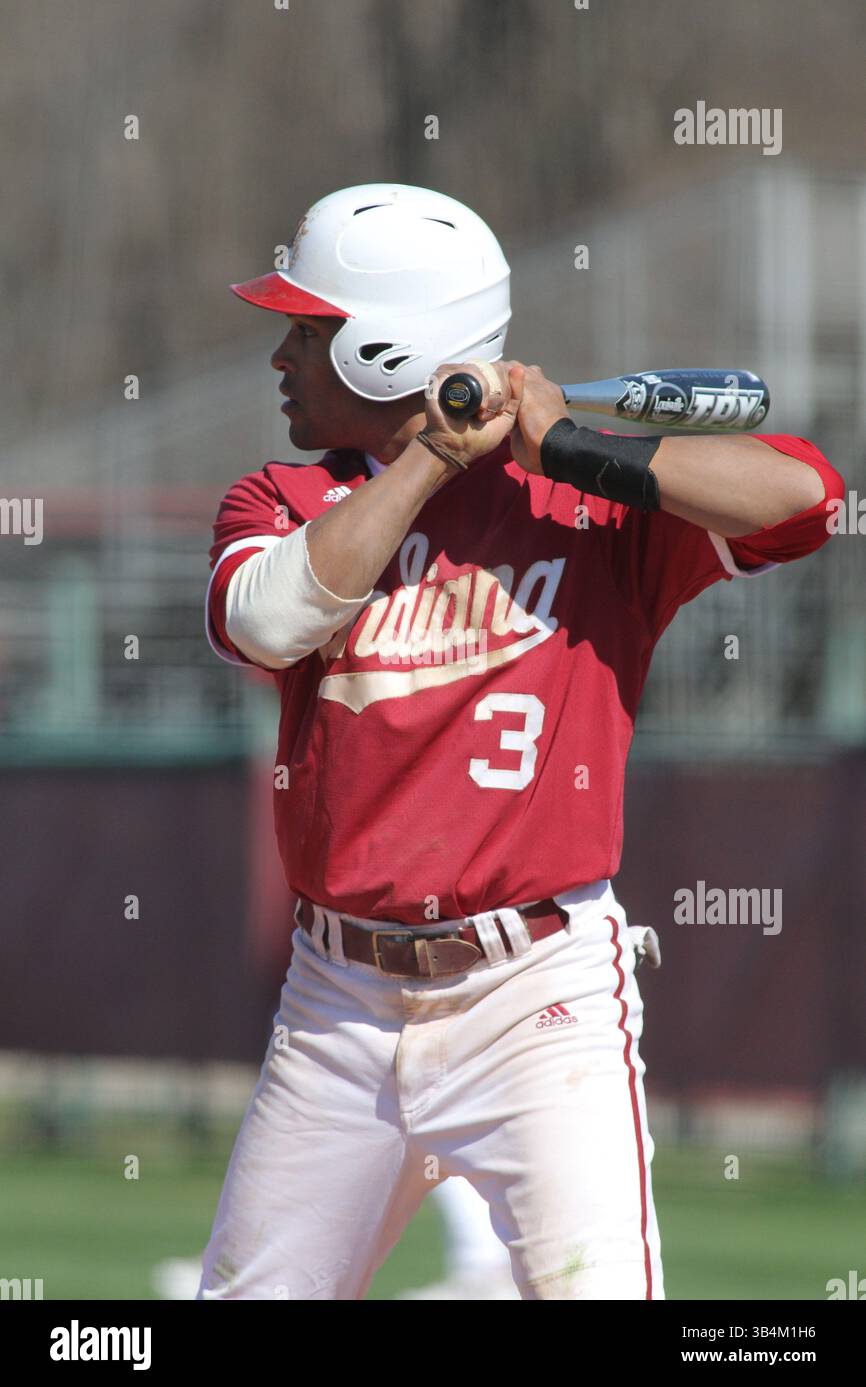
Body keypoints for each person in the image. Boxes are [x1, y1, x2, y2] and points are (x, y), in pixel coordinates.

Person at [198, 183, 843, 1301]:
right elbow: (265, 621)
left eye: (309, 331)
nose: (282, 358)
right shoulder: (285, 494)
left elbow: (802, 498)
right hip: (335, 1003)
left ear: (387, 351)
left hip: (535, 996)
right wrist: (430, 462)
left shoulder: (580, 507)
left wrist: (578, 449)